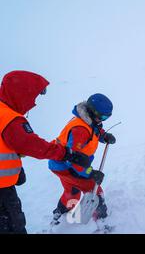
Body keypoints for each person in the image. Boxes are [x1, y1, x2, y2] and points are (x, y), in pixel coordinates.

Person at [0, 71, 90, 234]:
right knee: (13, 227)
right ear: (21, 93)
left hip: (6, 184)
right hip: (3, 191)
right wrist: (70, 156)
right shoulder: (10, 119)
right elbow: (33, 145)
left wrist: (15, 167)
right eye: (32, 97)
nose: (33, 103)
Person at [49, 94, 116, 225]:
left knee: (72, 192)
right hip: (66, 166)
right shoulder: (79, 129)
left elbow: (95, 131)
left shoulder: (88, 120)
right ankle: (101, 223)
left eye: (107, 117)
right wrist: (91, 173)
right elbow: (74, 160)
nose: (103, 120)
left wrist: (104, 136)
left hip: (60, 164)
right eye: (102, 117)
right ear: (91, 111)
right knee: (94, 191)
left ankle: (58, 215)